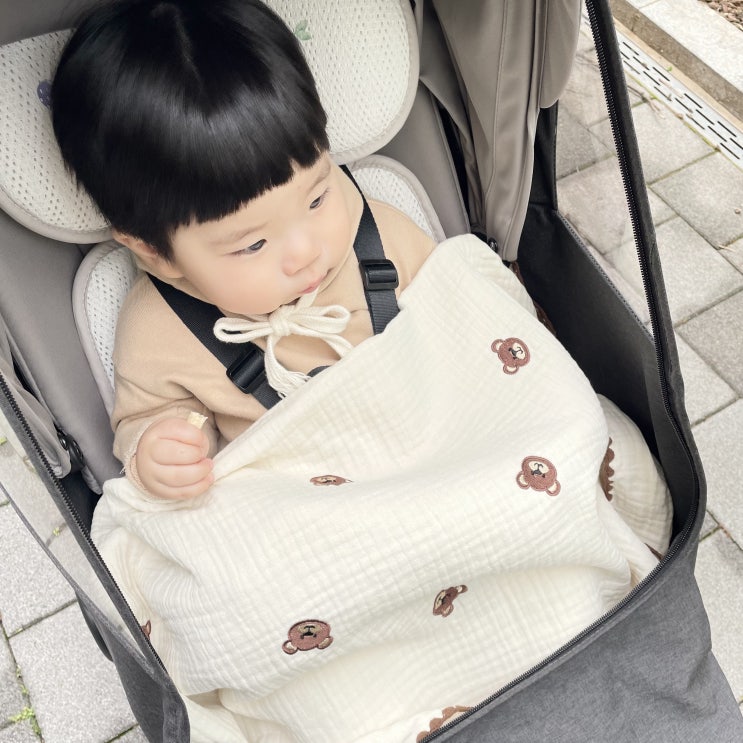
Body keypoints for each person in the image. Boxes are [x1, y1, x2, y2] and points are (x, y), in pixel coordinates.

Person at [52, 0, 435, 500]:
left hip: (432, 442)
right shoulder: (158, 331)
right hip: (307, 498)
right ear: (155, 252)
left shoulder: (377, 235)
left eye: (317, 198)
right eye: (253, 243)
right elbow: (150, 416)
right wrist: (159, 449)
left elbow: (458, 302)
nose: (306, 251)